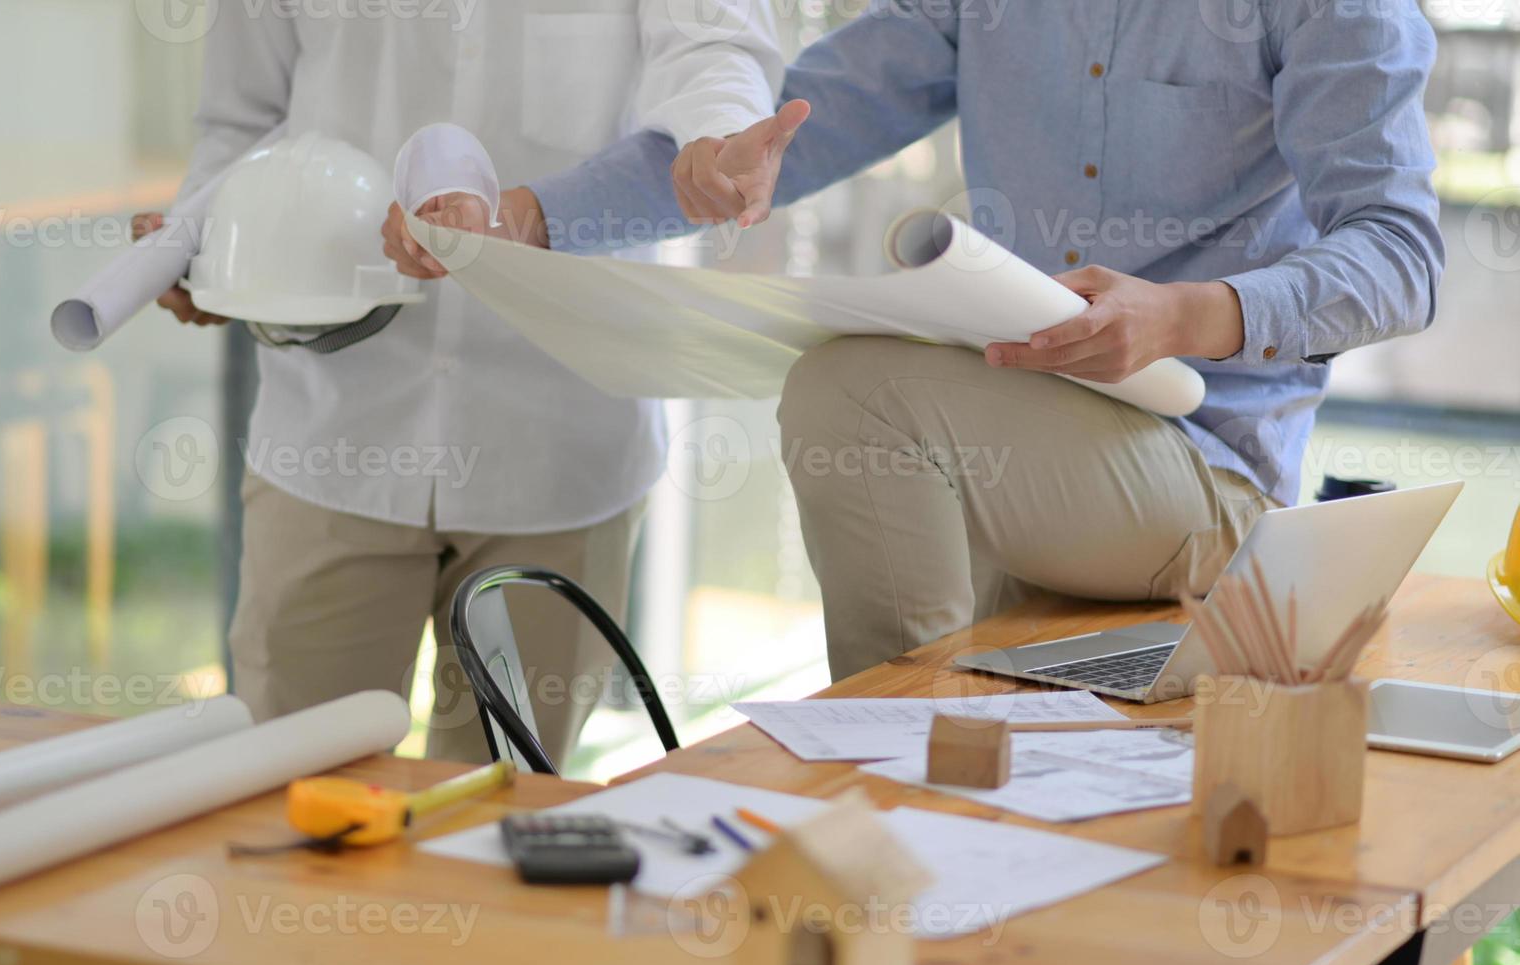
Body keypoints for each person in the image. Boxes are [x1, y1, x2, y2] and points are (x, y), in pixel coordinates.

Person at [386, 2, 1444, 681]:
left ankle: (877, 763)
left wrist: (1190, 312)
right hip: (1027, 463)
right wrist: (523, 217)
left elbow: (1404, 255)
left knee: (858, 391)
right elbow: (804, 119)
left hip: (1211, 470)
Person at [134, 3, 782, 765]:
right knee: (293, 809)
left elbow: (712, 46)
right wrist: (207, 248)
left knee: (504, 822)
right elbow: (243, 123)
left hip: (562, 441)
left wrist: (723, 133)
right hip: (333, 435)